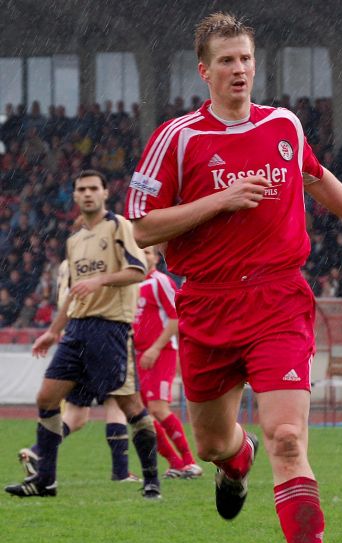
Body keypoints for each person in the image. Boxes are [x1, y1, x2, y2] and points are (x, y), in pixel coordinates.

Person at [124, 13, 342, 543]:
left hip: (279, 298)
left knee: (288, 438)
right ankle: (237, 459)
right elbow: (142, 227)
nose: (240, 70)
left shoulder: (283, 125)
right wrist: (220, 200)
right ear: (204, 71)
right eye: (227, 61)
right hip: (206, 303)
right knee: (211, 444)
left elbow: (317, 177)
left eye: (246, 59)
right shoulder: (178, 139)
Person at [5, 169, 160, 499]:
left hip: (110, 327)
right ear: (75, 196)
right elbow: (75, 293)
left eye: (93, 188)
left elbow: (138, 270)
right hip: (76, 330)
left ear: (105, 193)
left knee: (130, 405)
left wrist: (100, 281)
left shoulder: (118, 226)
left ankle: (151, 481)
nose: (88, 194)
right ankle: (45, 481)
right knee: (47, 398)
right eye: (82, 189)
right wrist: (53, 331)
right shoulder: (74, 241)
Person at [17, 260, 141, 483]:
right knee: (116, 402)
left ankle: (37, 452)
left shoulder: (67, 263)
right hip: (100, 333)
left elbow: (66, 298)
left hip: (73, 336)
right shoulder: (99, 258)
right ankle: (121, 473)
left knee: (77, 415)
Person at [134, 246, 202, 478]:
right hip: (138, 356)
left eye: (147, 252)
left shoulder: (160, 281)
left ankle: (189, 462)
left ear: (155, 258)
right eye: (139, 252)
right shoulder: (131, 285)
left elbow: (175, 317)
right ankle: (175, 463)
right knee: (141, 414)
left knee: (157, 408)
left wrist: (155, 348)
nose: (143, 256)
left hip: (161, 352)